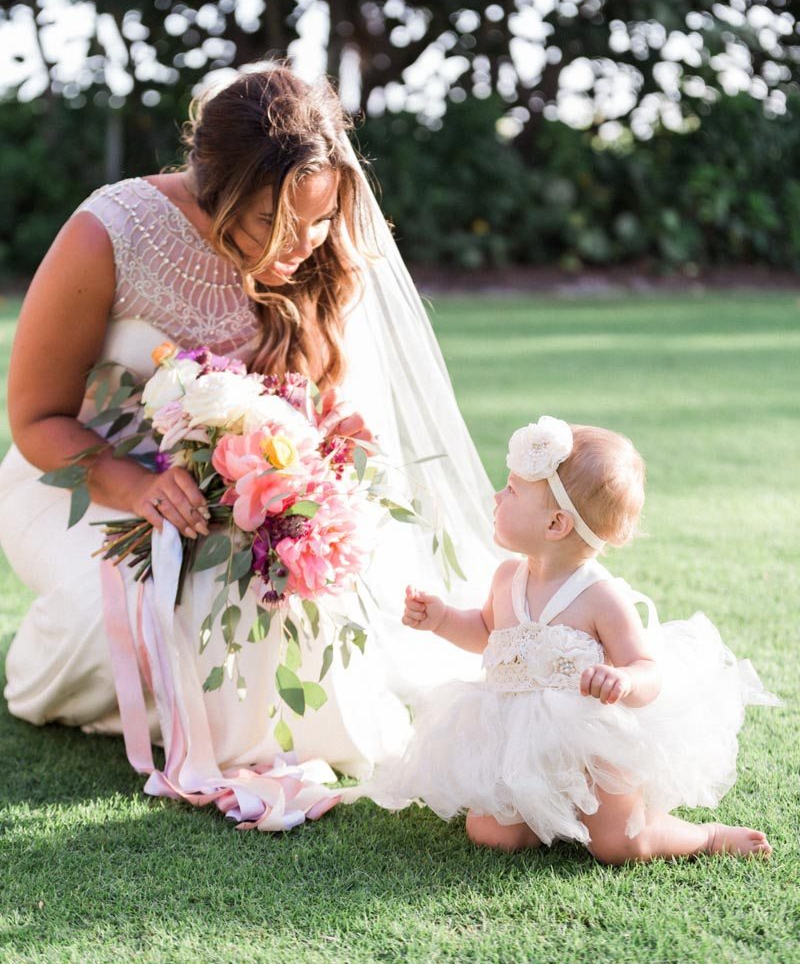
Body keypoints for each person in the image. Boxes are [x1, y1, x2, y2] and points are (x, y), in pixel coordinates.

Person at [0, 63, 499, 831]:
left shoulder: (317, 255)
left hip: (237, 489)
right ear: (214, 183)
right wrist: (133, 485)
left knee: (295, 605)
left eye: (320, 219)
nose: (301, 245)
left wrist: (327, 440)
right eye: (272, 222)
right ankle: (48, 659)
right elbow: (34, 416)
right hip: (82, 479)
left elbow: (311, 399)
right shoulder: (112, 232)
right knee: (138, 622)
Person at [362, 415, 778, 862]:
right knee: (491, 833)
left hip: (591, 744)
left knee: (619, 844)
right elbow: (487, 633)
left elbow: (648, 669)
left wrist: (624, 681)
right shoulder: (506, 579)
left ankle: (705, 836)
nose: (497, 497)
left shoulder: (600, 596)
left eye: (513, 491)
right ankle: (552, 813)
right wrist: (442, 619)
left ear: (556, 523)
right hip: (517, 736)